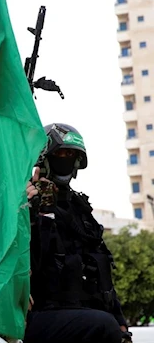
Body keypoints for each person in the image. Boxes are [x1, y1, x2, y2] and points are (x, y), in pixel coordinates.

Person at [25, 123, 131, 343]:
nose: (66, 159)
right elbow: (33, 260)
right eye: (61, 153)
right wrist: (40, 210)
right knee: (103, 326)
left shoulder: (80, 210)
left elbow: (101, 267)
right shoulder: (25, 203)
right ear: (43, 158)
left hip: (87, 316)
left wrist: (120, 320)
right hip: (45, 314)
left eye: (71, 154)